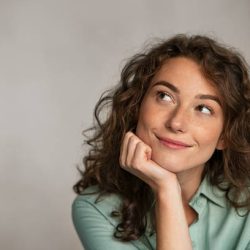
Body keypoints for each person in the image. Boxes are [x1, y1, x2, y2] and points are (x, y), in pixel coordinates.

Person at [72, 34, 250, 250]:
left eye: (204, 108)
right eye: (164, 96)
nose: (176, 123)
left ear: (225, 136)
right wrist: (167, 189)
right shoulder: (96, 209)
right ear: (136, 106)